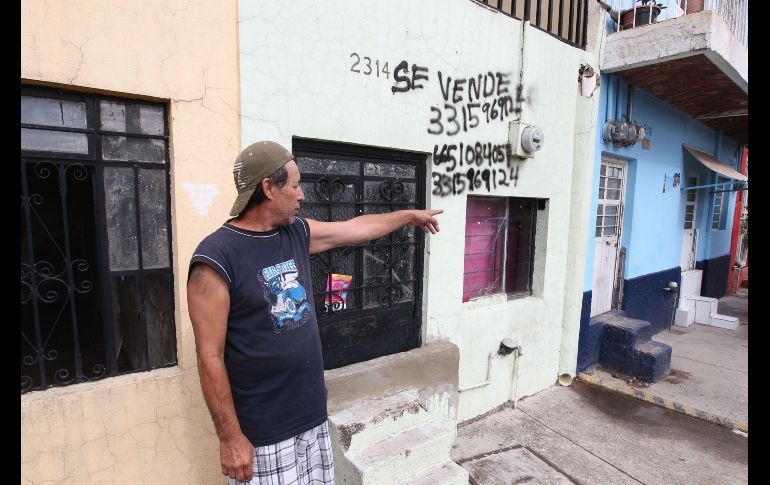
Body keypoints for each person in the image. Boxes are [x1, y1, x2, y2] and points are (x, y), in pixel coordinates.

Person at [187, 141, 442, 484]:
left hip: (311, 417)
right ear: (268, 188)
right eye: (294, 185)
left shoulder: (295, 233)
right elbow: (209, 356)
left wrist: (408, 216)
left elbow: (355, 229)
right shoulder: (216, 258)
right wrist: (230, 438)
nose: (302, 194)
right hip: (264, 433)